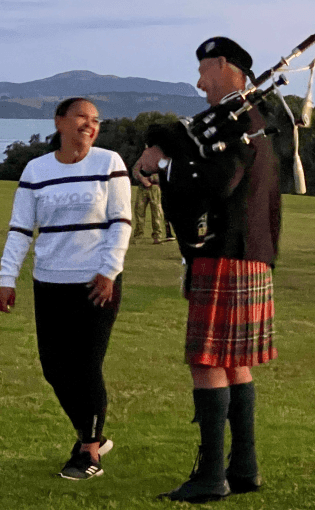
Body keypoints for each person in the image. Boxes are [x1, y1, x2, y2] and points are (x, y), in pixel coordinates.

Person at [134, 36, 280, 503]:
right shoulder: (247, 119)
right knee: (235, 363)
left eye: (203, 72)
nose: (199, 84)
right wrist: (162, 142)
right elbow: (194, 141)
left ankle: (211, 475)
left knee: (207, 361)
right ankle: (244, 467)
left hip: (225, 254)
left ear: (223, 64)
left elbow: (218, 182)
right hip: (249, 255)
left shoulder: (238, 121)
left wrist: (165, 165)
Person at [0, 97, 132, 479]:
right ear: (59, 121)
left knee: (86, 366)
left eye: (95, 120)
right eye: (81, 117)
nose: (89, 125)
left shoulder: (109, 163)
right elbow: (22, 229)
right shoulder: (36, 169)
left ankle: (89, 451)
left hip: (96, 283)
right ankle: (90, 434)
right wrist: (6, 278)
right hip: (50, 281)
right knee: (55, 368)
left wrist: (109, 270)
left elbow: (121, 222)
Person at [131, 166, 172, 244]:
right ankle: (138, 236)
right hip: (142, 187)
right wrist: (141, 178)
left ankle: (157, 237)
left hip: (155, 187)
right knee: (139, 212)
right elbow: (135, 170)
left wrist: (152, 178)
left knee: (156, 213)